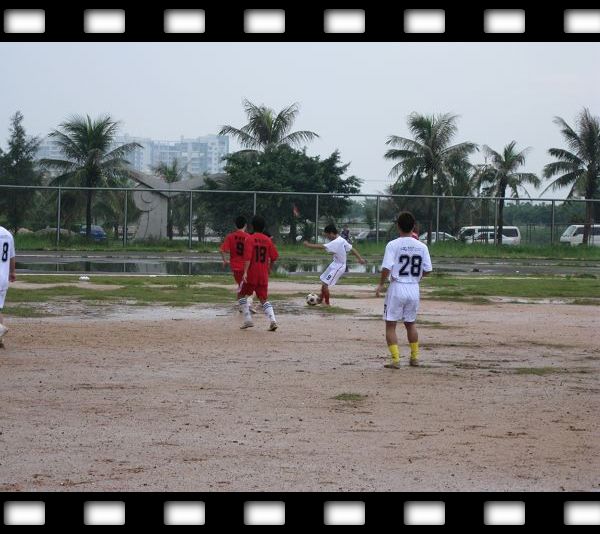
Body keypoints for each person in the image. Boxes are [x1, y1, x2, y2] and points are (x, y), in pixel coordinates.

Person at [375, 212, 432, 368]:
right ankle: (415, 358)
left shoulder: (393, 244)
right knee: (410, 323)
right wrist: (417, 277)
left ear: (398, 226)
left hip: (397, 287)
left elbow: (386, 267)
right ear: (413, 226)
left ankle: (396, 360)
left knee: (390, 324)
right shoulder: (422, 246)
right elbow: (428, 269)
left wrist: (381, 284)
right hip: (414, 288)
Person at [303, 224, 366, 306]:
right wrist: (360, 259)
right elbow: (352, 249)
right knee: (323, 282)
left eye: (327, 235)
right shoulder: (341, 239)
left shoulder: (337, 242)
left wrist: (308, 245)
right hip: (334, 264)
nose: (327, 238)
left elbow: (321, 247)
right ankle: (321, 300)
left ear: (332, 233)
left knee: (325, 284)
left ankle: (327, 304)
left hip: (339, 266)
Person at [239, 215, 279, 331]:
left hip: (252, 273)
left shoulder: (249, 239)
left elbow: (247, 257)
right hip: (263, 274)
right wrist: (269, 268)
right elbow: (274, 257)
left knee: (241, 295)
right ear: (263, 227)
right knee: (263, 299)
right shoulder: (268, 240)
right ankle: (273, 321)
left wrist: (245, 272)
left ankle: (248, 320)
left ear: (252, 226)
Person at [220, 216, 256, 314]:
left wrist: (225, 260)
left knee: (241, 287)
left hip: (235, 267)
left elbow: (222, 250)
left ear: (235, 225)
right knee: (252, 289)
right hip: (246, 268)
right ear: (245, 225)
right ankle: (248, 304)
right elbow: (251, 254)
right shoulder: (249, 237)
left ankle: (242, 306)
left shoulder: (230, 236)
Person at [0, 226, 16, 349]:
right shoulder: (7, 234)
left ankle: (0, 329)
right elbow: (12, 256)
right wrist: (12, 272)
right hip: (3, 278)